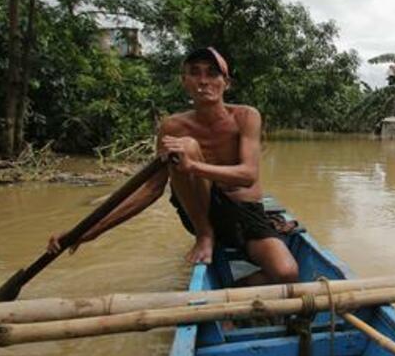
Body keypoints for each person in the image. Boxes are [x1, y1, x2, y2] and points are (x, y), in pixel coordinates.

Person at [47, 47, 299, 286]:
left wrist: (193, 167)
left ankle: (233, 287)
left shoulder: (246, 116)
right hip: (202, 214)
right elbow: (150, 190)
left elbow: (247, 175)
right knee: (185, 146)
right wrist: (90, 231)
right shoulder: (173, 127)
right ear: (184, 81)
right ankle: (205, 236)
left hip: (245, 214)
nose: (203, 80)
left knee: (287, 272)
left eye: (212, 73)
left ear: (226, 83)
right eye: (195, 72)